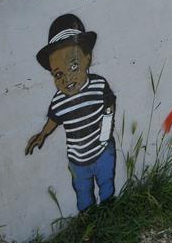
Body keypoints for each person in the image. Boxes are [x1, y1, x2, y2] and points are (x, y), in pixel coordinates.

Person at [25, 13, 116, 212]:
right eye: (58, 74)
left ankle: (110, 215)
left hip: (103, 152)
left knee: (106, 185)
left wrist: (106, 127)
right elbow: (54, 119)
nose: (67, 78)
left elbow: (109, 103)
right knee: (83, 195)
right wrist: (42, 135)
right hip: (77, 160)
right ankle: (89, 223)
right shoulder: (59, 99)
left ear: (88, 58)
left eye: (73, 66)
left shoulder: (99, 84)